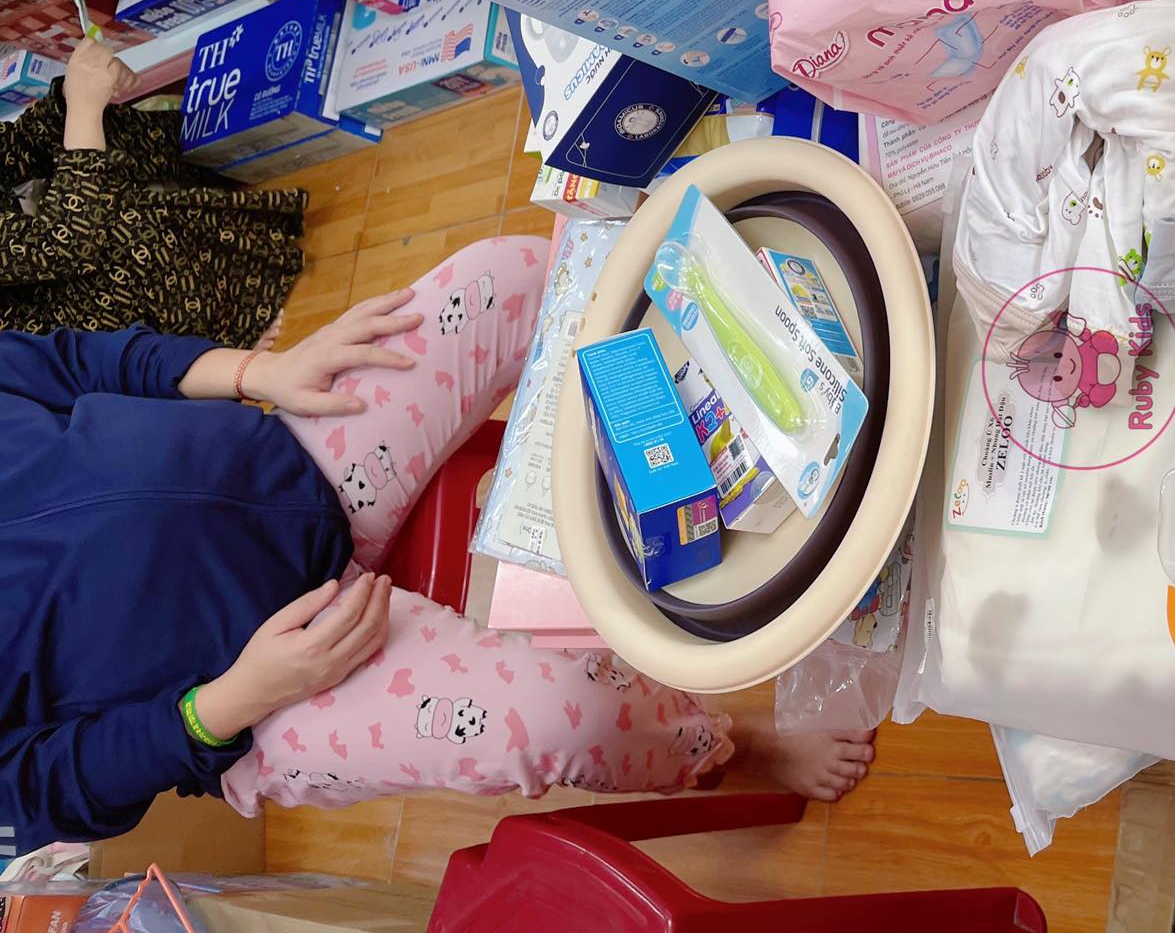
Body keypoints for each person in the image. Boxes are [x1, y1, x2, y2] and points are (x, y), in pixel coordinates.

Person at [0, 234, 874, 857]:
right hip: (261, 686)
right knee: (567, 717)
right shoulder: (243, 696)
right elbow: (42, 791)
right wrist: (227, 704)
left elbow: (72, 362)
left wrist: (257, 371)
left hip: (285, 464)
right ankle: (728, 747)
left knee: (520, 274)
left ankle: (752, 403)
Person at [0, 38, 305, 346]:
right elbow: (64, 246)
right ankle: (228, 325)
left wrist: (73, 92)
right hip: (45, 336)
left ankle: (236, 156)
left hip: (43, 260)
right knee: (122, 227)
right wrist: (83, 110)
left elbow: (22, 146)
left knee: (112, 134)